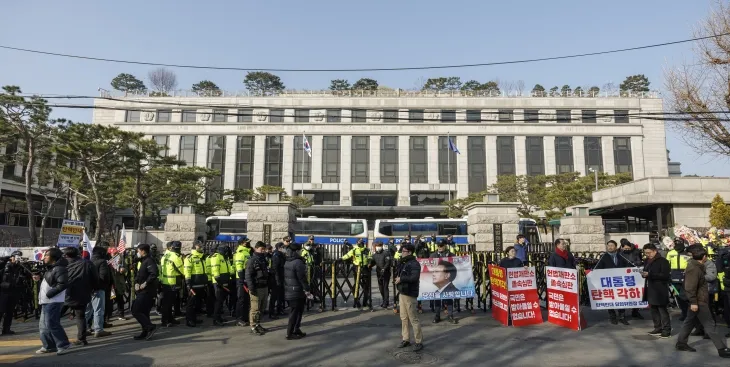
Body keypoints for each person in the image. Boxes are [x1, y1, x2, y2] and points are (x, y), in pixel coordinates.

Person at [675, 246, 730, 358]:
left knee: (689, 321)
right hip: (699, 300)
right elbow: (690, 287)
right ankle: (721, 348)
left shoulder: (696, 266)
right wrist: (694, 302)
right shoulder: (694, 268)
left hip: (698, 299)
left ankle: (681, 343)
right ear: (704, 257)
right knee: (710, 324)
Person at [37, 248, 72, 356]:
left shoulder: (59, 268)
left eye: (47, 256)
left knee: (52, 324)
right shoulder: (51, 268)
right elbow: (50, 281)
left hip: (53, 301)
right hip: (46, 301)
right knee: (43, 325)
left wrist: (50, 293)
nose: (44, 257)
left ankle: (63, 344)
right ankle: (49, 346)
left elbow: (62, 284)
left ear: (53, 257)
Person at [594, 240, 632, 325]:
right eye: (608, 246)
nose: (610, 247)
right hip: (608, 283)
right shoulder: (603, 257)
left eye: (612, 245)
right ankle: (612, 316)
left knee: (621, 299)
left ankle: (622, 316)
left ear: (615, 247)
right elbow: (597, 269)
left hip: (620, 282)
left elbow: (628, 266)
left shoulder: (621, 256)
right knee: (610, 300)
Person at [63, 246, 96, 347]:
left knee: (54, 317)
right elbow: (95, 278)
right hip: (83, 293)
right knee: (80, 317)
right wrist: (92, 288)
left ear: (66, 254)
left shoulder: (62, 264)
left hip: (64, 294)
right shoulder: (87, 263)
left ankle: (57, 339)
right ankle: (82, 339)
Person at [395, 243, 423, 352]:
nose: (402, 253)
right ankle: (405, 339)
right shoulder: (404, 262)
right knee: (403, 318)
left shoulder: (414, 264)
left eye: (404, 251)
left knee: (413, 318)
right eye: (402, 251)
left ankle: (418, 341)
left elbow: (414, 277)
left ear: (410, 252)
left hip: (410, 293)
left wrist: (401, 279)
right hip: (402, 292)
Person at [641, 243, 672, 339]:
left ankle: (666, 330)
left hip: (660, 289)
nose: (647, 254)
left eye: (649, 252)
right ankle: (657, 327)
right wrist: (644, 274)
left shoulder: (663, 261)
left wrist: (650, 274)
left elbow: (665, 275)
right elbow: (646, 271)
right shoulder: (647, 261)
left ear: (655, 251)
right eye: (646, 253)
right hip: (650, 288)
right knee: (653, 309)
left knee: (662, 310)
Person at [284, 242, 311, 340]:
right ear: (296, 251)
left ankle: (296, 329)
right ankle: (290, 333)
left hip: (291, 289)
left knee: (299, 311)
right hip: (296, 291)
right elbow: (302, 278)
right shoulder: (298, 262)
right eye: (299, 250)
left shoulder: (288, 261)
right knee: (295, 312)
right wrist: (307, 288)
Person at [132, 244, 159, 340]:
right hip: (141, 290)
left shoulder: (149, 261)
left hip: (147, 291)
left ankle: (150, 327)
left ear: (143, 251)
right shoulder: (143, 261)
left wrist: (145, 283)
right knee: (144, 312)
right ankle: (145, 331)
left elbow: (154, 274)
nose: (137, 253)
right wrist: (136, 282)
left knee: (135, 310)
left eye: (138, 251)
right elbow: (140, 275)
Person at [86, 246, 112, 337]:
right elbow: (104, 276)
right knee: (98, 310)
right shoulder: (102, 262)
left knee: (88, 310)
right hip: (98, 289)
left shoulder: (87, 261)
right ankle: (98, 329)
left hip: (88, 289)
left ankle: (84, 328)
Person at [430, 241, 457, 324]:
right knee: (437, 298)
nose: (440, 247)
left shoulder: (451, 255)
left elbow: (457, 264)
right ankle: (437, 316)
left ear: (445, 246)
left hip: (447, 282)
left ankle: (450, 315)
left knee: (449, 298)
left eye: (441, 245)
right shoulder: (433, 255)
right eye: (438, 245)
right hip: (438, 282)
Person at [246, 241, 270, 336]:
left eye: (264, 249)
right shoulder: (252, 260)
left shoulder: (263, 259)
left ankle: (258, 324)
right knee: (255, 308)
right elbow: (248, 275)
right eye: (261, 249)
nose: (263, 251)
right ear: (256, 248)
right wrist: (251, 288)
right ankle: (253, 326)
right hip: (256, 287)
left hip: (264, 286)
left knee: (262, 307)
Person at [342, 238, 372, 310]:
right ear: (357, 243)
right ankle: (357, 302)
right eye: (359, 242)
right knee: (356, 286)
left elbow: (370, 257)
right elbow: (347, 255)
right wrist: (340, 259)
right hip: (356, 269)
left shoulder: (367, 250)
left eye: (361, 242)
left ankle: (365, 302)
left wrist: (370, 263)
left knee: (366, 286)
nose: (360, 243)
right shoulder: (354, 250)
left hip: (365, 268)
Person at [183, 241, 207, 328]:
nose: (201, 248)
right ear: (195, 246)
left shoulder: (202, 257)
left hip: (201, 284)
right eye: (199, 246)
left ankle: (194, 318)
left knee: (198, 303)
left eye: (201, 246)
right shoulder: (190, 258)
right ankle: (189, 320)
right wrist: (188, 284)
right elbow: (187, 271)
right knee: (191, 303)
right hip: (193, 284)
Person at [159, 241, 183, 327]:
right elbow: (182, 270)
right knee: (168, 303)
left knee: (167, 302)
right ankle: (165, 321)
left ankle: (169, 319)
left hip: (165, 281)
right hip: (172, 282)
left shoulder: (165, 255)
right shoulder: (175, 257)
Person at [619, 239, 644, 320]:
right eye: (625, 249)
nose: (626, 250)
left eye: (628, 248)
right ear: (622, 248)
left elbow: (640, 262)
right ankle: (622, 314)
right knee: (623, 295)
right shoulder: (619, 253)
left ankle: (635, 311)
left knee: (636, 294)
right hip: (623, 276)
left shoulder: (636, 252)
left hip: (634, 275)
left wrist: (634, 264)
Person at [0, 251, 23, 335]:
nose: (17, 259)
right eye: (16, 256)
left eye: (19, 257)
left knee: (10, 312)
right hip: (3, 292)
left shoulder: (19, 267)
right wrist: (7, 285)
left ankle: (6, 329)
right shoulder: (4, 266)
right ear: (12, 257)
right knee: (1, 311)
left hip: (14, 292)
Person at [210, 245, 234, 326]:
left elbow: (229, 269)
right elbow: (215, 270)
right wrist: (219, 282)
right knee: (218, 301)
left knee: (221, 302)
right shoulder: (216, 257)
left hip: (225, 281)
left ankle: (219, 317)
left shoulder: (225, 257)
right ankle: (216, 319)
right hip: (218, 283)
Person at [370, 241, 393, 309]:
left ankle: (386, 302)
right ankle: (384, 299)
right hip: (378, 272)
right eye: (377, 246)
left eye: (379, 246)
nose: (378, 247)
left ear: (382, 246)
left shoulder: (386, 253)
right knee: (380, 288)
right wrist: (369, 265)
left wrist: (384, 269)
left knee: (385, 287)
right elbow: (373, 262)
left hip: (386, 272)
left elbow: (388, 262)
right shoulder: (375, 254)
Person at [234, 240, 252, 326]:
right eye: (246, 242)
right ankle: (239, 319)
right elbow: (239, 267)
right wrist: (242, 278)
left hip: (247, 277)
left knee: (246, 299)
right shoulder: (240, 253)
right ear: (241, 243)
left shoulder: (247, 252)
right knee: (241, 299)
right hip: (241, 279)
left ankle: (245, 317)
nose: (247, 243)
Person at [268, 243, 286, 319]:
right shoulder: (276, 255)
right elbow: (275, 269)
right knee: (274, 296)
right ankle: (271, 312)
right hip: (275, 279)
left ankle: (279, 309)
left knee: (280, 295)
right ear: (279, 248)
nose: (284, 248)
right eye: (283, 247)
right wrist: (277, 279)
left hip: (280, 278)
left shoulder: (280, 254)